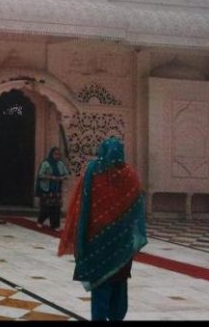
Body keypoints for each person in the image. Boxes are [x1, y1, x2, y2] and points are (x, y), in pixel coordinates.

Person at [57, 136, 148, 321]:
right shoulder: (130, 175)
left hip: (96, 242)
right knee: (119, 286)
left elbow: (81, 206)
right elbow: (137, 209)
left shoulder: (93, 171)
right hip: (121, 244)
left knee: (101, 287)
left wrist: (79, 235)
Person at [34, 146, 70, 231]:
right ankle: (40, 221)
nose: (57, 156)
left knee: (56, 208)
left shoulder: (60, 164)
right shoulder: (46, 163)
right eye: (55, 154)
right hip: (47, 189)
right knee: (46, 207)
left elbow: (66, 174)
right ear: (51, 154)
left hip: (57, 189)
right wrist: (51, 177)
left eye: (58, 154)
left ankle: (55, 225)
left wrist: (63, 177)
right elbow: (40, 175)